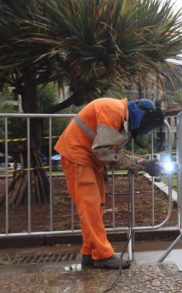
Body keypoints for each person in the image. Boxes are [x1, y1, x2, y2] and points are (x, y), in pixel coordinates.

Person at [55, 97, 163, 269]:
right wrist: (135, 165)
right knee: (89, 206)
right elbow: (104, 151)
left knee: (95, 207)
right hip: (78, 156)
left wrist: (143, 163)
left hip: (87, 159)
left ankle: (89, 252)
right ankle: (103, 255)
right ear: (141, 115)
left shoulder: (119, 116)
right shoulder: (114, 110)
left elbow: (115, 152)